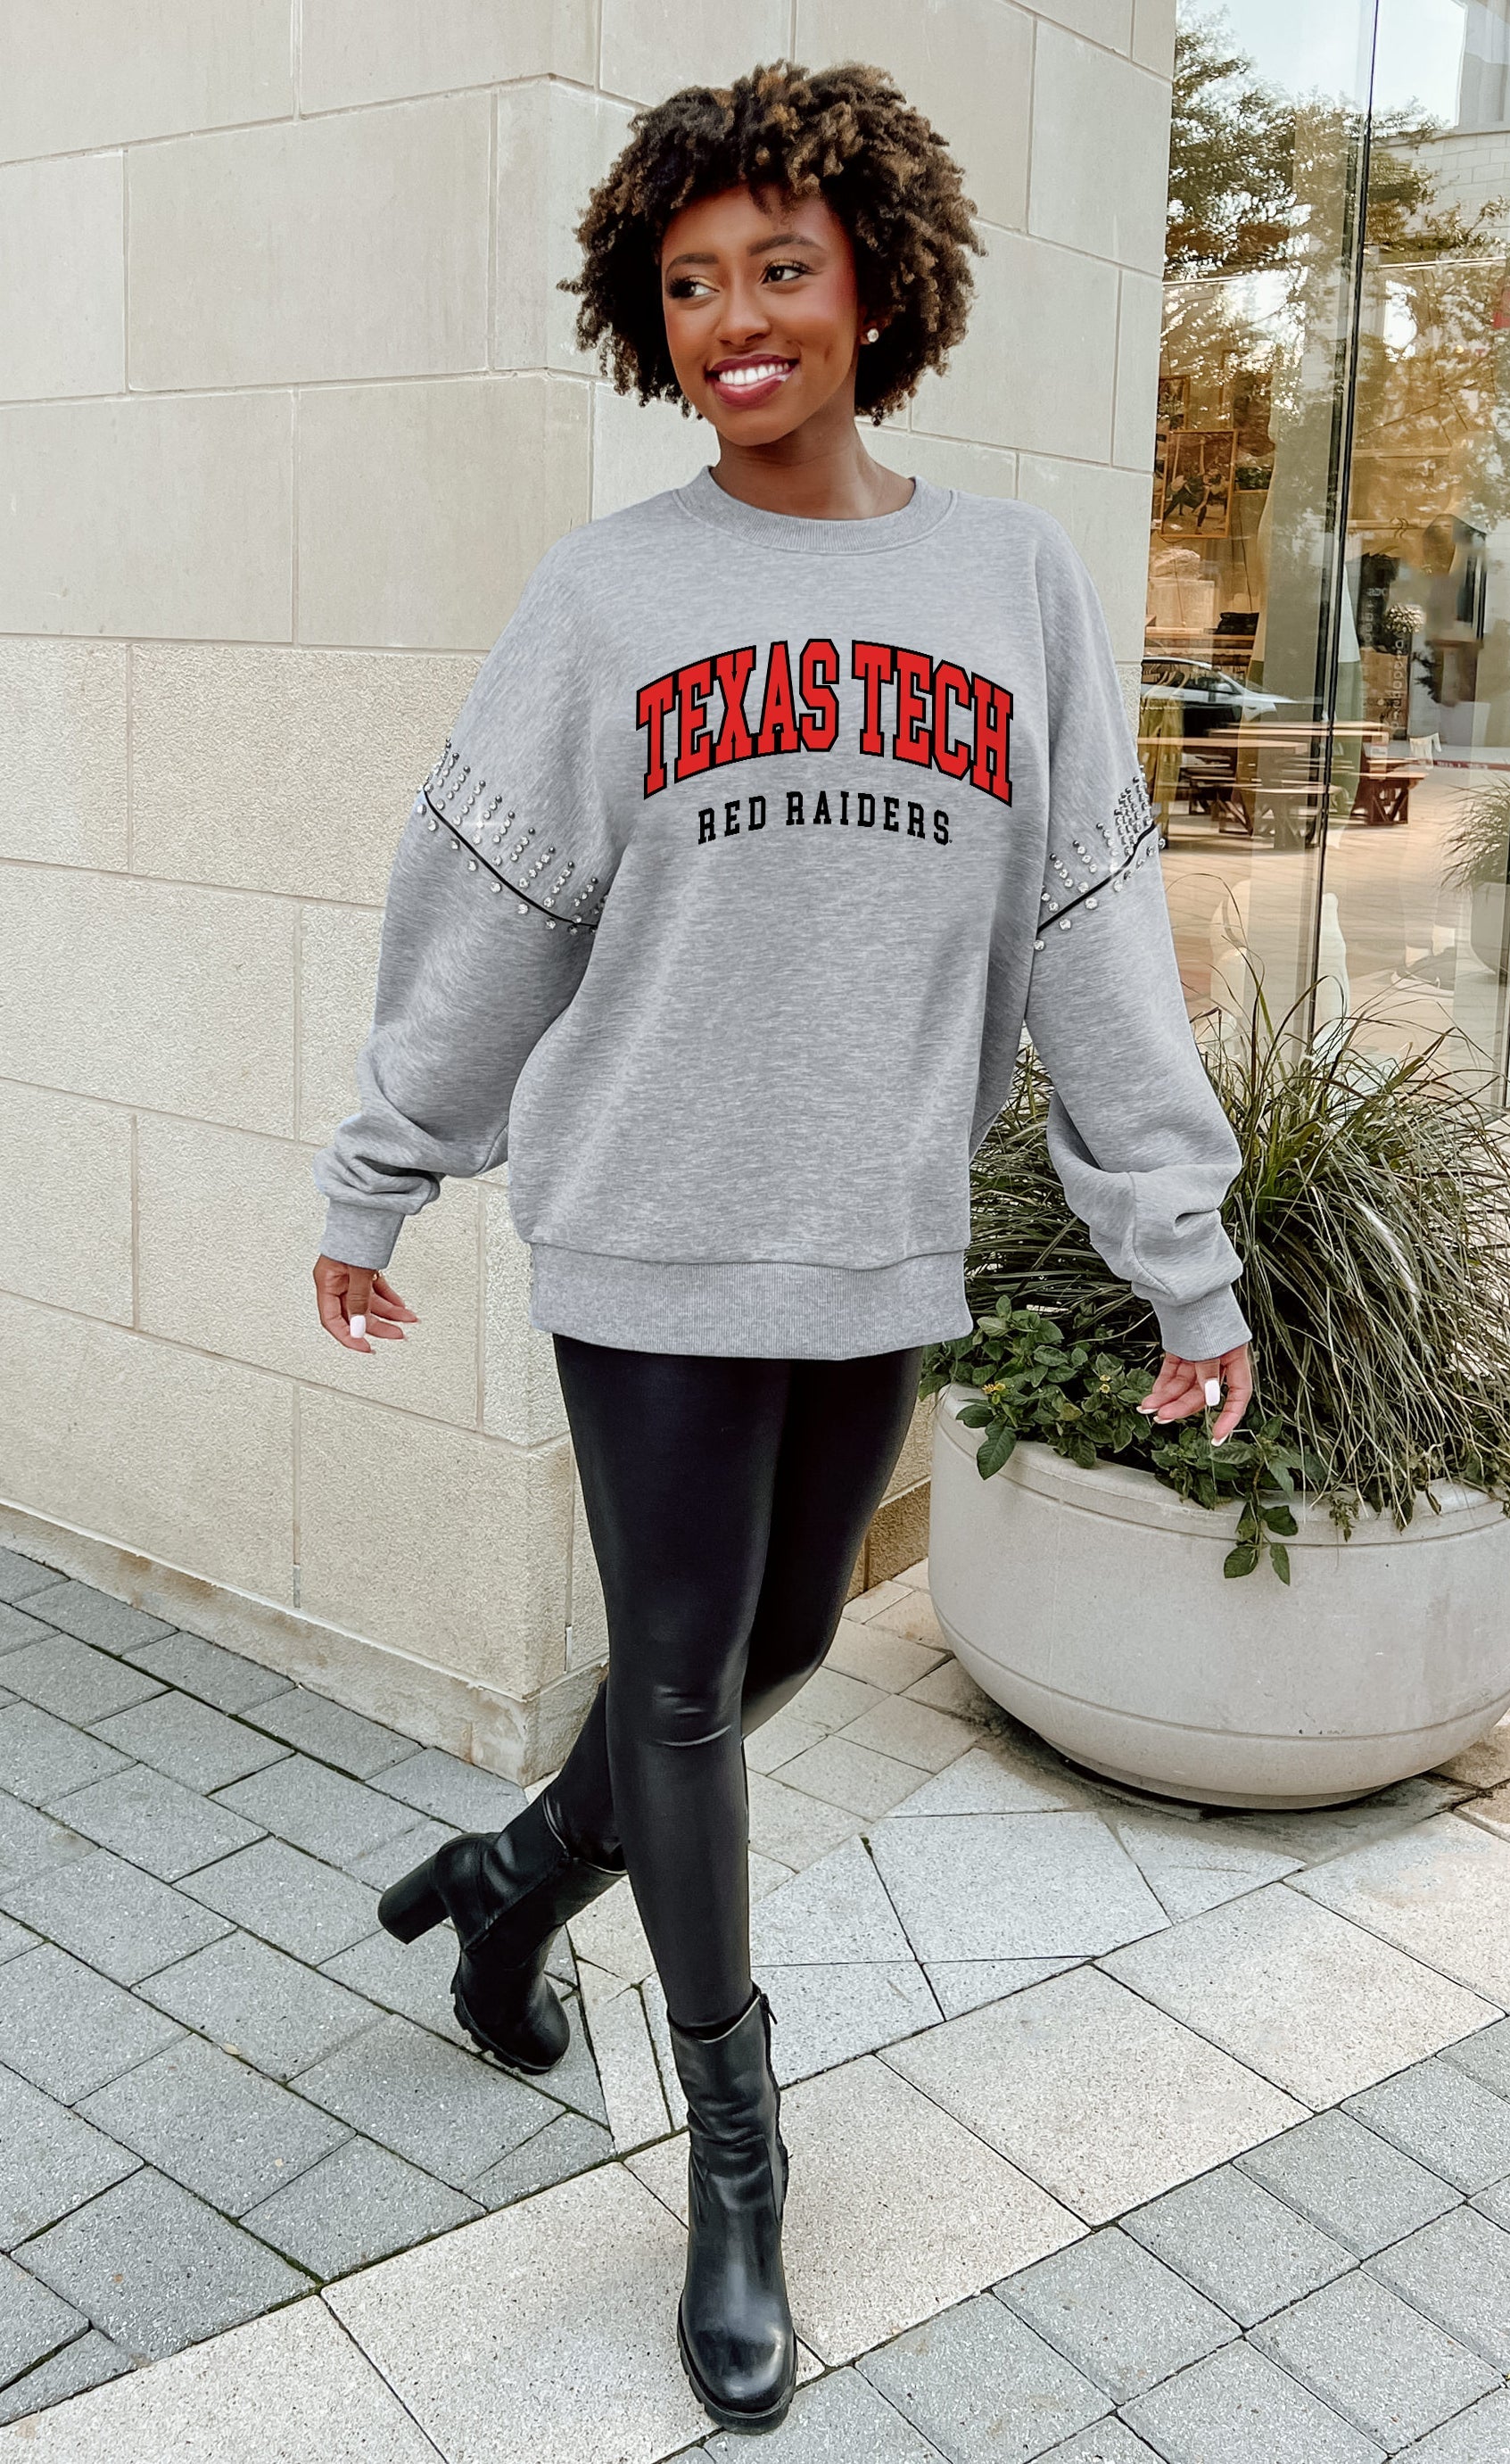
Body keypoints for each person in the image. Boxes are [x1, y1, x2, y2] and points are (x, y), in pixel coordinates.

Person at [309, 59, 1253, 2436]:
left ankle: (514, 1877)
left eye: (781, 269)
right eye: (690, 282)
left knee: (785, 1638)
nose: (735, 318)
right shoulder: (609, 593)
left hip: (867, 1238)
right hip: (642, 1228)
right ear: (651, 319)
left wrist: (1183, 1249)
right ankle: (736, 2162)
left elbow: (1091, 937)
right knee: (680, 1683)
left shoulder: (1011, 583)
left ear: (876, 286)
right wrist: (382, 1167)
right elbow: (492, 908)